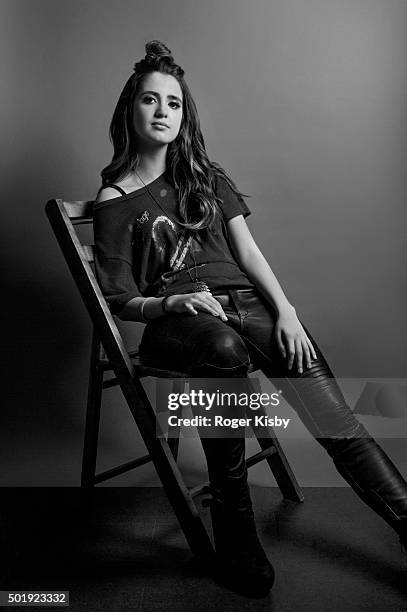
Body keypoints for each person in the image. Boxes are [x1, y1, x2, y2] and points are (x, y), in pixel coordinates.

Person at [93, 40, 407, 598]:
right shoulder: (114, 200)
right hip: (180, 324)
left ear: (184, 115)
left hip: (247, 306)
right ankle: (237, 541)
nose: (164, 111)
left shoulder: (205, 177)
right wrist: (171, 303)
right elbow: (119, 299)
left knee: (341, 423)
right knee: (223, 351)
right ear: (130, 110)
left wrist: (287, 312)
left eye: (175, 103)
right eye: (150, 100)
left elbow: (249, 253)